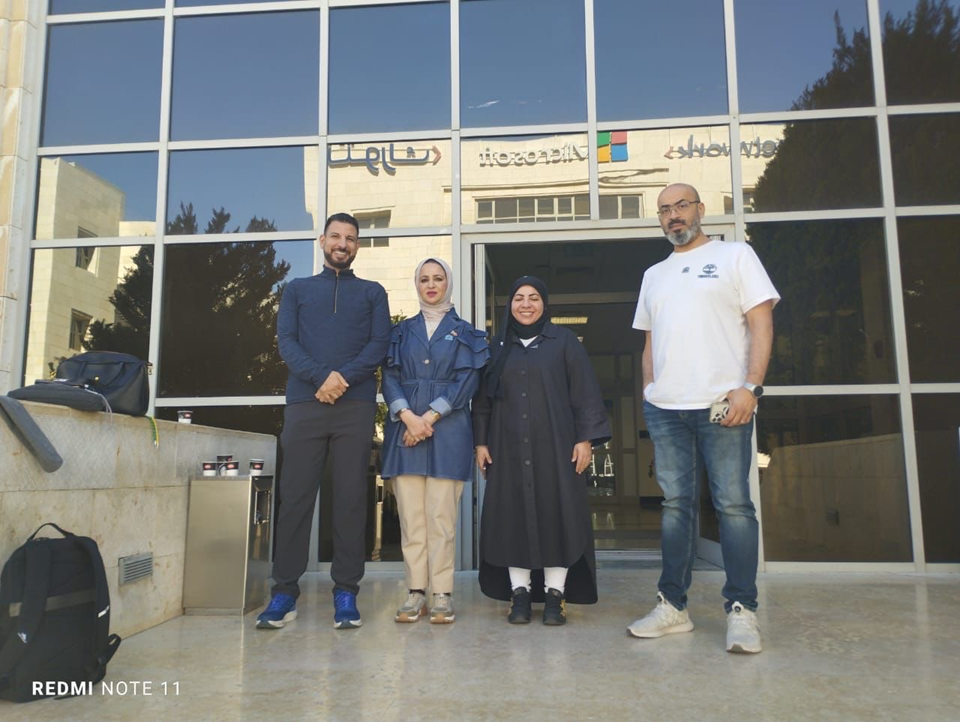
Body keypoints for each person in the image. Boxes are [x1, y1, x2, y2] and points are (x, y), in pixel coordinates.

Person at [627, 183, 779, 653]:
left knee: (733, 506)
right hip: (667, 409)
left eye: (682, 206)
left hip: (723, 404)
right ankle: (673, 606)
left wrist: (751, 387)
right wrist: (650, 392)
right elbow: (650, 342)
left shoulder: (736, 256)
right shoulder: (654, 275)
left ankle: (742, 610)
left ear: (700, 209)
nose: (674, 215)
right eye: (665, 210)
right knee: (676, 507)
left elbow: (761, 323)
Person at [257, 212, 391, 630]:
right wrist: (321, 378)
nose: (342, 244)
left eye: (350, 238)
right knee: (296, 498)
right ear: (322, 241)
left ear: (357, 246)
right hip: (305, 403)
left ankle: (346, 591)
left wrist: (341, 379)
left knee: (350, 499)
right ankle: (284, 592)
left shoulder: (372, 292)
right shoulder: (297, 289)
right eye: (336, 236)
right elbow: (287, 342)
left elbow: (379, 344)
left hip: (355, 407)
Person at [473, 276, 610, 626]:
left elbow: (585, 393)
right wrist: (481, 442)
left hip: (557, 449)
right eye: (519, 298)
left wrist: (585, 439)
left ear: (544, 304)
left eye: (534, 297)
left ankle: (555, 596)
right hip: (506, 449)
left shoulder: (564, 342)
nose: (526, 304)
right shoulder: (497, 346)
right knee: (511, 519)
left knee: (557, 516)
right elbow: (483, 401)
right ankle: (519, 595)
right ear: (510, 305)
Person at [380, 258, 489, 624]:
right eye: (424, 279)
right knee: (412, 521)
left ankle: (441, 593)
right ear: (417, 284)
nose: (430, 285)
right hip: (405, 432)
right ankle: (415, 592)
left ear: (448, 283)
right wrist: (408, 417)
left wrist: (428, 417)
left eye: (438, 278)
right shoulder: (400, 332)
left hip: (449, 433)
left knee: (441, 520)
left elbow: (467, 382)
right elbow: (389, 377)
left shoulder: (467, 333)